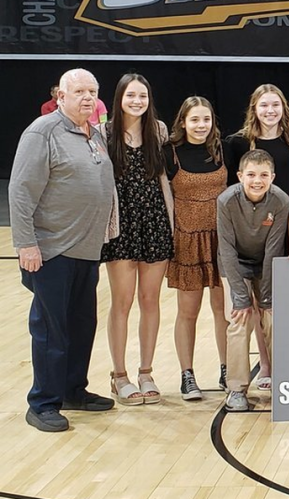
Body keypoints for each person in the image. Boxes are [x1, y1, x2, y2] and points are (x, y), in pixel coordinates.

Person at [10, 68, 117, 432]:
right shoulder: (43, 132)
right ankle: (43, 402)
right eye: (79, 92)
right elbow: (21, 191)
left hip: (87, 250)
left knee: (82, 325)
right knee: (51, 329)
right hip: (51, 249)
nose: (88, 98)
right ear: (61, 96)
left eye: (93, 91)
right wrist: (26, 243)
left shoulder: (94, 133)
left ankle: (74, 390)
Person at [100, 73, 173, 406]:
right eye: (131, 95)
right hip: (121, 226)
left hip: (155, 221)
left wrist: (171, 224)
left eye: (142, 96)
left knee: (150, 300)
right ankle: (119, 375)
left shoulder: (157, 130)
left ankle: (146, 371)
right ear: (120, 98)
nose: (137, 101)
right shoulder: (104, 132)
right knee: (122, 302)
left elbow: (162, 179)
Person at [223, 84, 289, 388]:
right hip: (254, 230)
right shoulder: (239, 143)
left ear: (284, 108)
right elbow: (233, 189)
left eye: (275, 105)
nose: (270, 111)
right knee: (256, 305)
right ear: (254, 108)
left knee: (277, 302)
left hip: (285, 226)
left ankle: (286, 364)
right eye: (264, 105)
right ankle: (265, 365)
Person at [165, 96, 230, 401]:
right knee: (187, 312)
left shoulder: (223, 149)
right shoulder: (170, 153)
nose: (201, 125)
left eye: (206, 119)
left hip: (221, 239)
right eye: (194, 120)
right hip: (187, 240)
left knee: (224, 311)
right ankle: (187, 375)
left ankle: (228, 369)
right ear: (182, 122)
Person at [218, 150, 289, 412]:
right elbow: (225, 249)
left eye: (263, 175)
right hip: (236, 264)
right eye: (250, 175)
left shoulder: (281, 200)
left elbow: (273, 249)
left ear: (272, 176)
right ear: (240, 176)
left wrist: (267, 298)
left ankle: (284, 383)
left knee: (272, 318)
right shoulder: (226, 200)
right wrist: (240, 296)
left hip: (266, 264)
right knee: (239, 319)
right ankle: (237, 389)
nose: (257, 180)